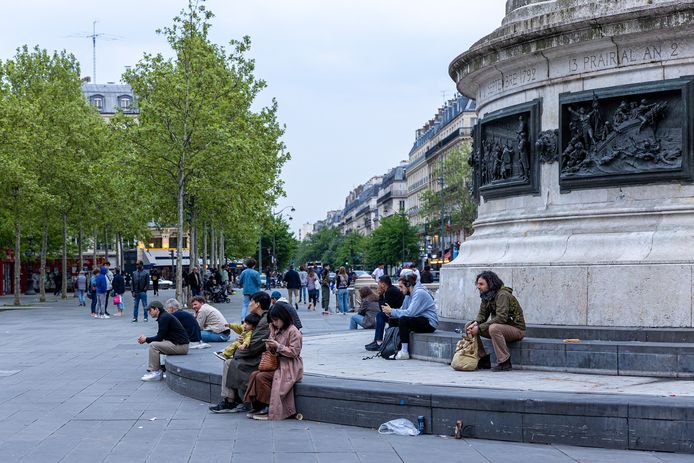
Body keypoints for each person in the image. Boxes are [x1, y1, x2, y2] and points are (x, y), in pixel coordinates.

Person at [209, 291, 271, 414]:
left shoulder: (264, 321)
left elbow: (254, 346)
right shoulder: (261, 318)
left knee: (230, 363)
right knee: (229, 362)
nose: (249, 305)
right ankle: (231, 400)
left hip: (259, 359)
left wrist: (236, 353)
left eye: (251, 302)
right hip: (256, 355)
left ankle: (230, 401)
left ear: (257, 304)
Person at [243, 302, 303, 420]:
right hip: (277, 362)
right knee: (255, 374)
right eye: (273, 321)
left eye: (276, 320)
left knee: (261, 377)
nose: (275, 323)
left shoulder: (293, 331)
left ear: (283, 317)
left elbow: (294, 352)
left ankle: (268, 406)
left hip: (289, 365)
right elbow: (271, 348)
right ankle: (259, 404)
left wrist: (278, 346)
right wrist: (270, 343)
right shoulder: (275, 329)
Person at [466, 271, 526, 372]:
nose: (478, 286)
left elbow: (501, 318)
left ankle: (504, 362)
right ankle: (483, 359)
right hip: (501, 328)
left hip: (516, 329)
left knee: (494, 328)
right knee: (469, 325)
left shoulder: (502, 295)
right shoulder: (486, 295)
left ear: (490, 284)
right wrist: (475, 324)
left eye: (481, 284)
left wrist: (480, 328)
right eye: (477, 284)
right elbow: (482, 316)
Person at [377, 273, 438, 359]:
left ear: (408, 285)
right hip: (418, 319)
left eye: (401, 287)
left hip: (429, 323)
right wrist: (390, 312)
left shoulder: (419, 293)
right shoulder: (408, 294)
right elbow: (403, 310)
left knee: (403, 320)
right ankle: (391, 346)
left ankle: (404, 351)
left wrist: (393, 311)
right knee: (393, 320)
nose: (400, 290)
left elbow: (409, 313)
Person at [137, 301, 189, 381]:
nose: (149, 312)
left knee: (154, 345)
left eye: (150, 310)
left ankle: (155, 372)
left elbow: (159, 337)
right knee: (158, 344)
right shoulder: (164, 316)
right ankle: (162, 368)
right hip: (179, 344)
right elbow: (162, 336)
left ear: (157, 309)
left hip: (181, 346)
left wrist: (146, 339)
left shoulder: (164, 317)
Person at [365, 275, 405, 351]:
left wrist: (380, 295)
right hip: (396, 313)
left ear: (383, 284)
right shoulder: (389, 290)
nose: (377, 285)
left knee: (380, 315)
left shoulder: (390, 291)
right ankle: (377, 340)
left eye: (378, 283)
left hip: (398, 315)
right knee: (380, 315)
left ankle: (378, 341)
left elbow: (383, 308)